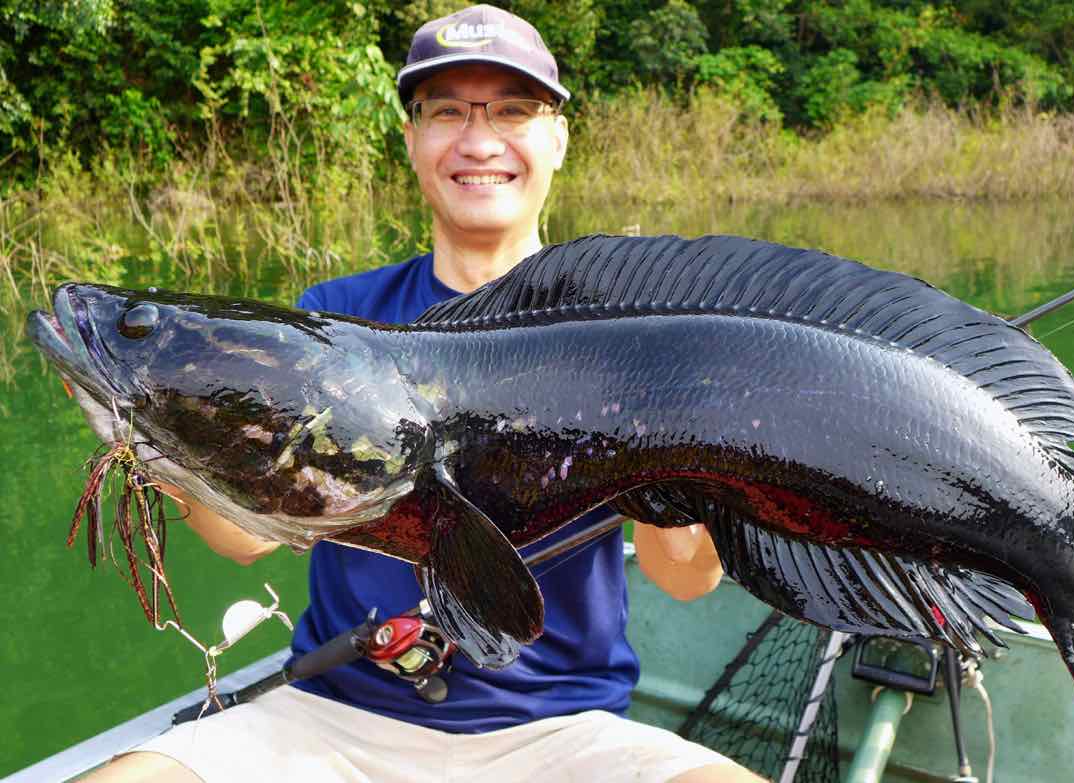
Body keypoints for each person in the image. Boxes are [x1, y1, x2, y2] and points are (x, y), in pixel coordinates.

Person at [86, 6, 762, 782]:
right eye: (446, 111)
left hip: (569, 731)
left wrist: (694, 470)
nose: (479, 141)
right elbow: (243, 539)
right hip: (332, 717)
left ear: (559, 138)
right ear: (411, 139)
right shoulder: (333, 320)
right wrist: (168, 432)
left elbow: (683, 577)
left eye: (513, 110)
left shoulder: (626, 329)